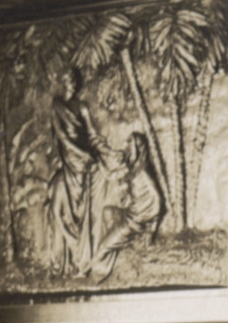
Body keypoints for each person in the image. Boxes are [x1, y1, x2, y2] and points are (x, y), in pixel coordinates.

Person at [46, 64, 105, 275]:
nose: (71, 81)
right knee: (64, 206)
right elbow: (62, 137)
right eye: (67, 78)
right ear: (63, 82)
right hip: (71, 159)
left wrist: (101, 151)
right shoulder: (56, 106)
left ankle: (83, 257)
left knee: (84, 206)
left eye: (73, 78)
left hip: (83, 162)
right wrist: (81, 154)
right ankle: (67, 257)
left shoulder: (82, 107)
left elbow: (91, 134)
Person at [91, 129, 167, 276]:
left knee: (101, 250)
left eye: (129, 145)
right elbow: (110, 175)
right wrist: (98, 158)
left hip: (134, 222)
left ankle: (95, 272)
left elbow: (158, 200)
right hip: (129, 214)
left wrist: (152, 230)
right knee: (107, 212)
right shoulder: (132, 169)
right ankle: (124, 242)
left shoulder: (143, 173)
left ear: (137, 149)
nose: (126, 147)